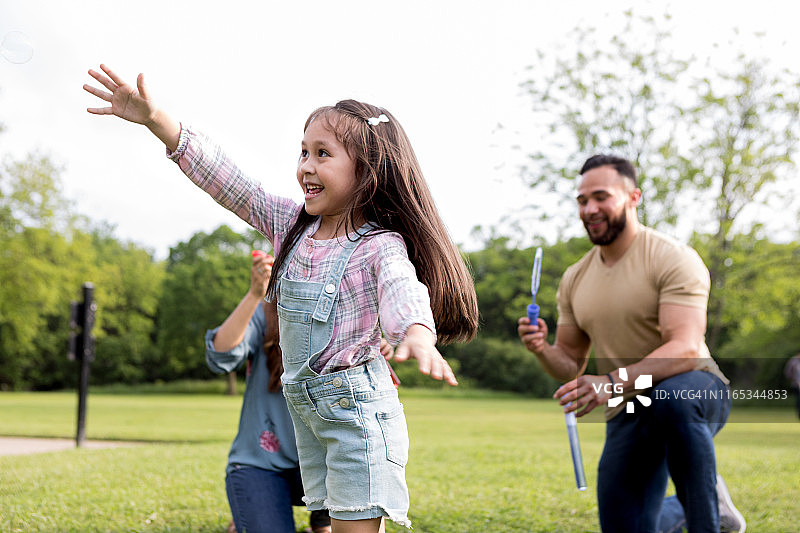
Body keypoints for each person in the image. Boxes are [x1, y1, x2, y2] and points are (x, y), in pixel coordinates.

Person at [84, 64, 479, 532]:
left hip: (358, 418)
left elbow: (401, 288)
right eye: (303, 152)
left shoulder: (379, 244)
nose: (306, 166)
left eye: (323, 154)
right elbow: (230, 182)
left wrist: (416, 331)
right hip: (306, 415)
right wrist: (159, 123)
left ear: (366, 170)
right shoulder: (290, 224)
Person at [517, 155, 746, 533]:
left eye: (601, 197)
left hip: (694, 387)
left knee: (672, 400)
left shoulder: (673, 258)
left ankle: (707, 523)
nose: (590, 209)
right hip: (630, 403)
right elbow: (569, 363)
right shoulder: (576, 278)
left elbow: (686, 348)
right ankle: (708, 505)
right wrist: (542, 348)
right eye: (582, 200)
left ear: (633, 197)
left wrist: (609, 382)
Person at [206, 251, 331, 533]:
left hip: (328, 468)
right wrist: (253, 295)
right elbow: (221, 355)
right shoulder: (267, 312)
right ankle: (253, 509)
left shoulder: (346, 312)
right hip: (262, 465)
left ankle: (321, 523)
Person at [785, 353, 800, 419]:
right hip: (796, 384)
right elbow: (788, 372)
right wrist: (795, 381)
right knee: (798, 399)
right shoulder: (793, 361)